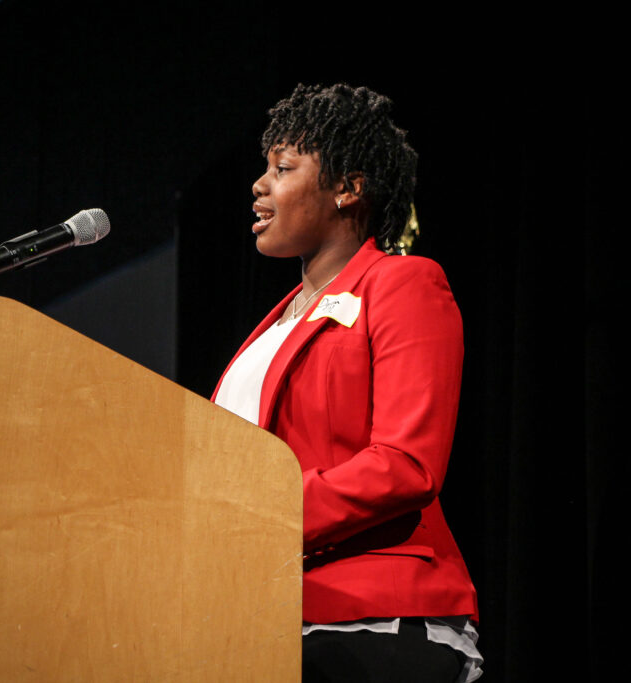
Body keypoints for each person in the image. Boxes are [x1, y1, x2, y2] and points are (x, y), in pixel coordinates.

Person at [212, 84, 482, 682]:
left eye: (283, 168)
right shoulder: (271, 328)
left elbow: (407, 462)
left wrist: (261, 514)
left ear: (348, 188)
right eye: (264, 168)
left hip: (369, 617)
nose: (260, 184)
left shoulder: (402, 283)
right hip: (256, 618)